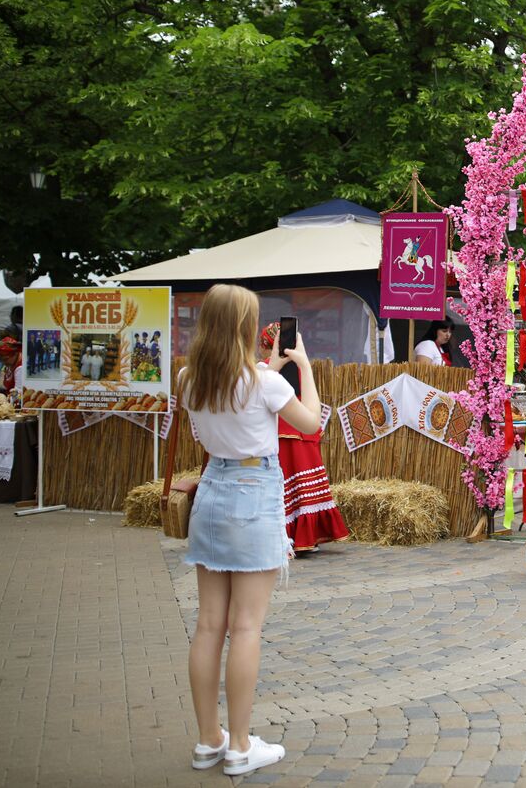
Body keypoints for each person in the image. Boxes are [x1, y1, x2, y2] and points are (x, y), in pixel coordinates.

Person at [180, 284, 322, 776]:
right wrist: (301, 366)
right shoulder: (265, 382)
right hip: (254, 489)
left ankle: (207, 740)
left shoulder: (188, 378)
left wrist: (268, 371)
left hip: (212, 488)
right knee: (246, 627)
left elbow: (226, 404)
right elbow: (310, 423)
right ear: (246, 326)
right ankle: (240, 744)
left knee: (207, 625)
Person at [259, 324, 349, 554]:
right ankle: (304, 536)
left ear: (263, 347)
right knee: (300, 483)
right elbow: (312, 414)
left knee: (284, 482)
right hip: (300, 432)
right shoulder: (298, 369)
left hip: (278, 433)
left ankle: (286, 535)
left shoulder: (260, 373)